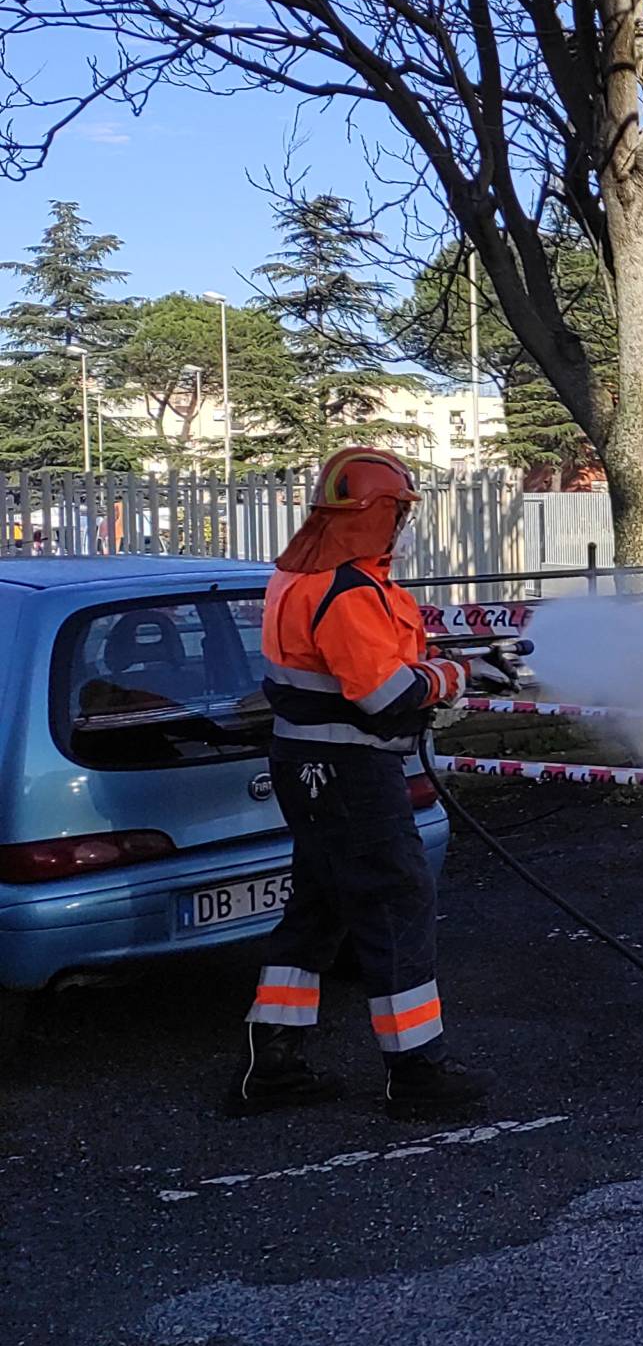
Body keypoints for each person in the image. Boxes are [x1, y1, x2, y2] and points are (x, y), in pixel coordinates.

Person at [231, 446, 516, 1120]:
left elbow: (361, 666)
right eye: (398, 515)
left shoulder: (297, 577)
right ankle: (416, 1073)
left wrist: (450, 663)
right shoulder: (349, 591)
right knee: (397, 902)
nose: (402, 529)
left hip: (306, 767)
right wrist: (457, 677)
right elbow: (385, 696)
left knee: (318, 908)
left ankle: (274, 1065)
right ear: (375, 515)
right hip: (352, 772)